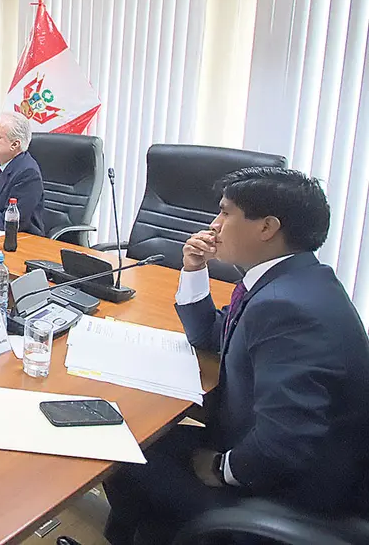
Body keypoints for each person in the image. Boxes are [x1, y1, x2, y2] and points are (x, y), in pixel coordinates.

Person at [100, 167, 369, 545]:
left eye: (226, 213)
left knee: (125, 457)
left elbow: (286, 443)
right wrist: (195, 270)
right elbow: (211, 335)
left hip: (290, 494)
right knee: (140, 440)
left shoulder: (288, 308)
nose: (214, 225)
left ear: (267, 228)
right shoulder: (290, 281)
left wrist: (219, 467)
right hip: (263, 449)